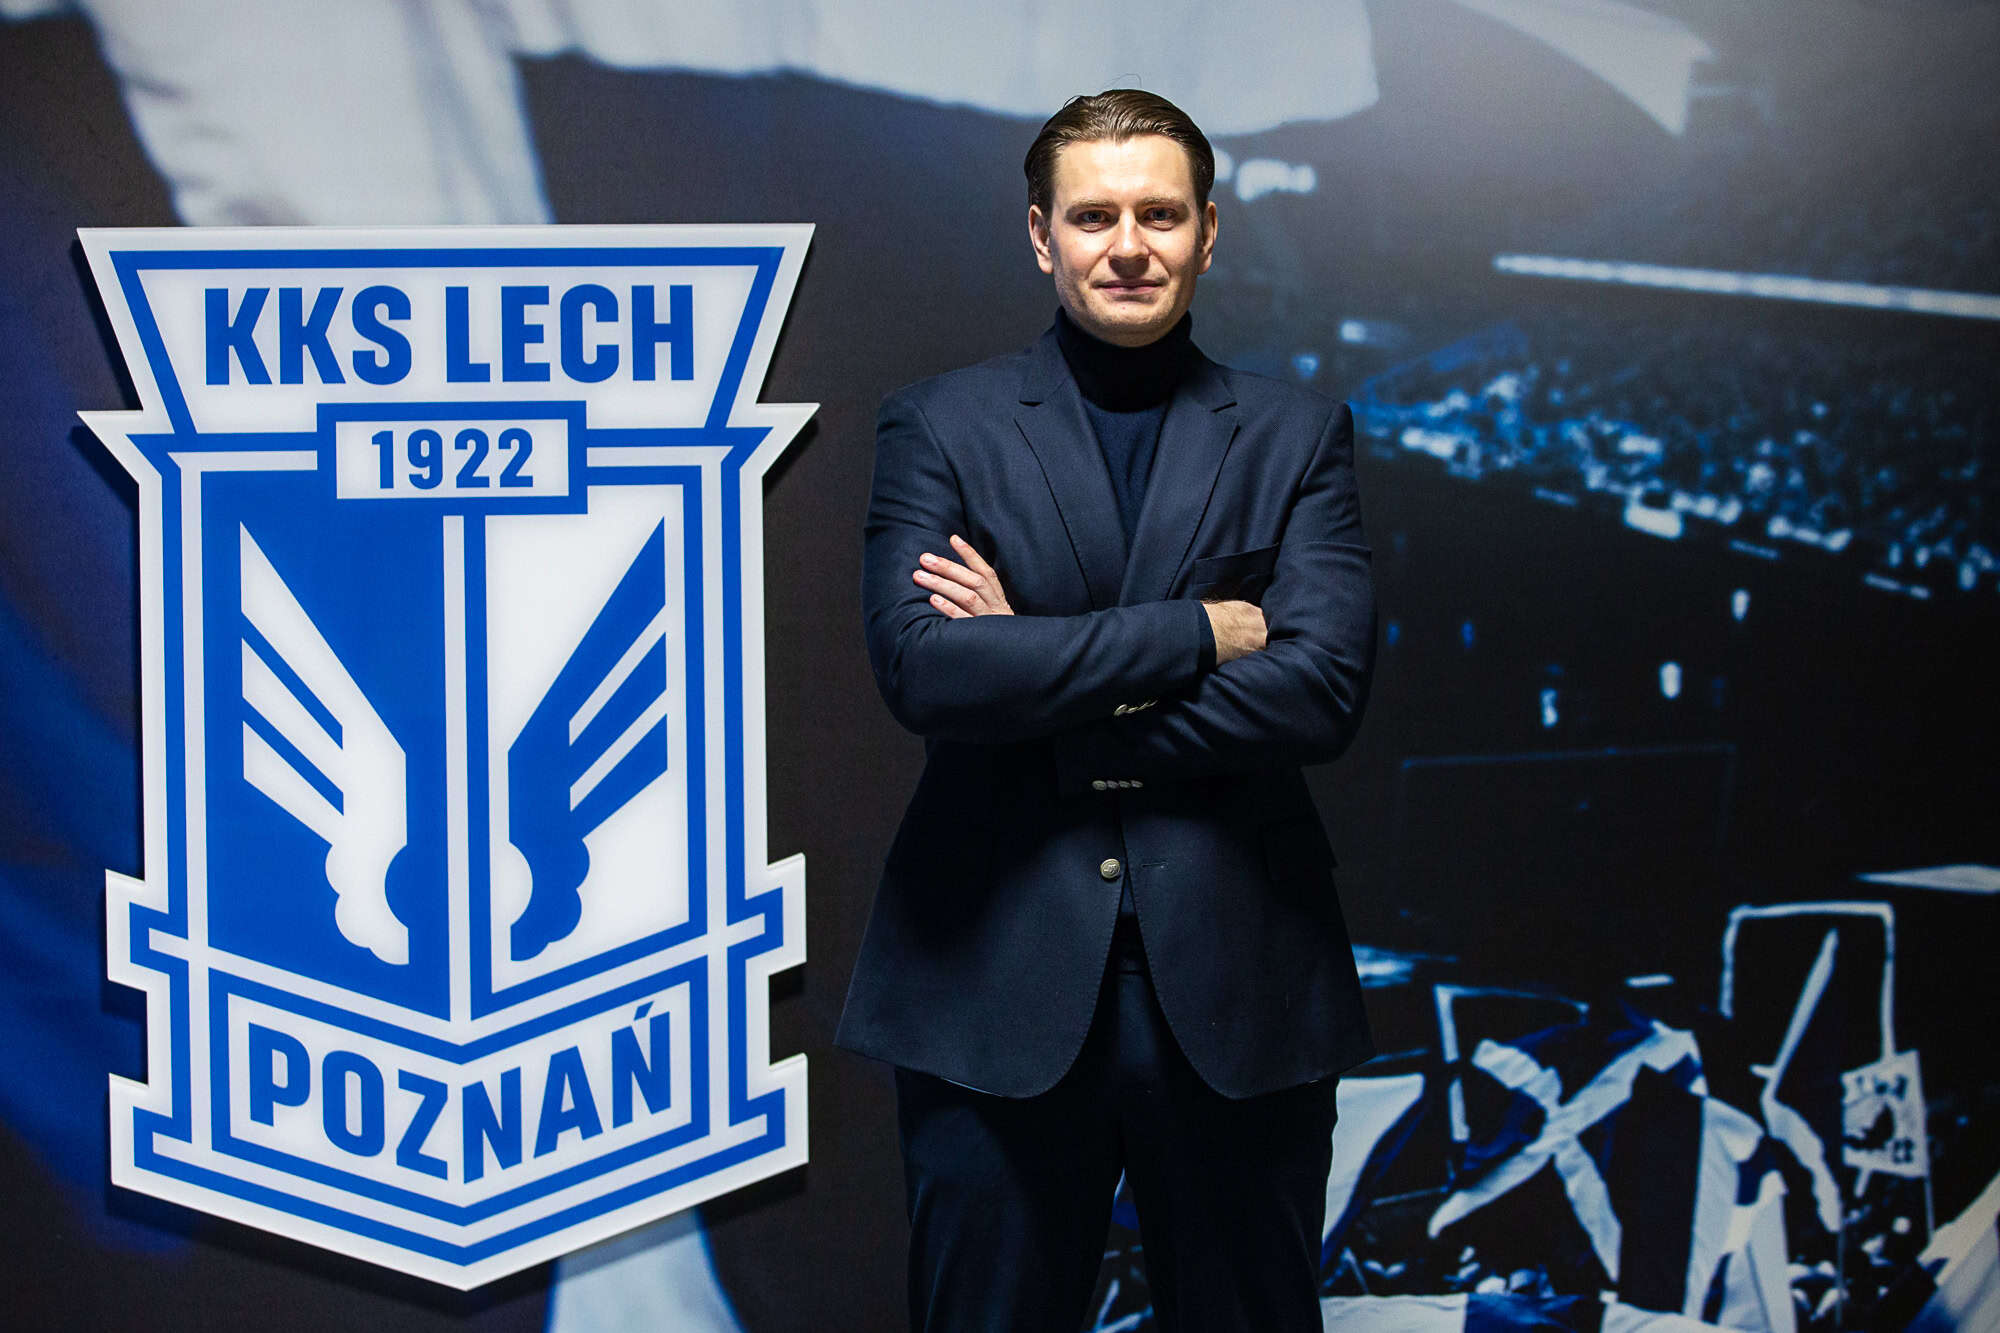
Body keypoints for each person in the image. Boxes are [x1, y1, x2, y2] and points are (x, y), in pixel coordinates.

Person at [836, 88, 1377, 1332]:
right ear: (1041, 236)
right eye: (1093, 216)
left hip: (1242, 987)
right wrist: (1197, 631)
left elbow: (1319, 693)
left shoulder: (1297, 437)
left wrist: (1032, 675)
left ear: (1206, 233)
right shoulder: (938, 423)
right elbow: (923, 672)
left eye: (1158, 214)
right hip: (987, 985)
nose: (1127, 245)